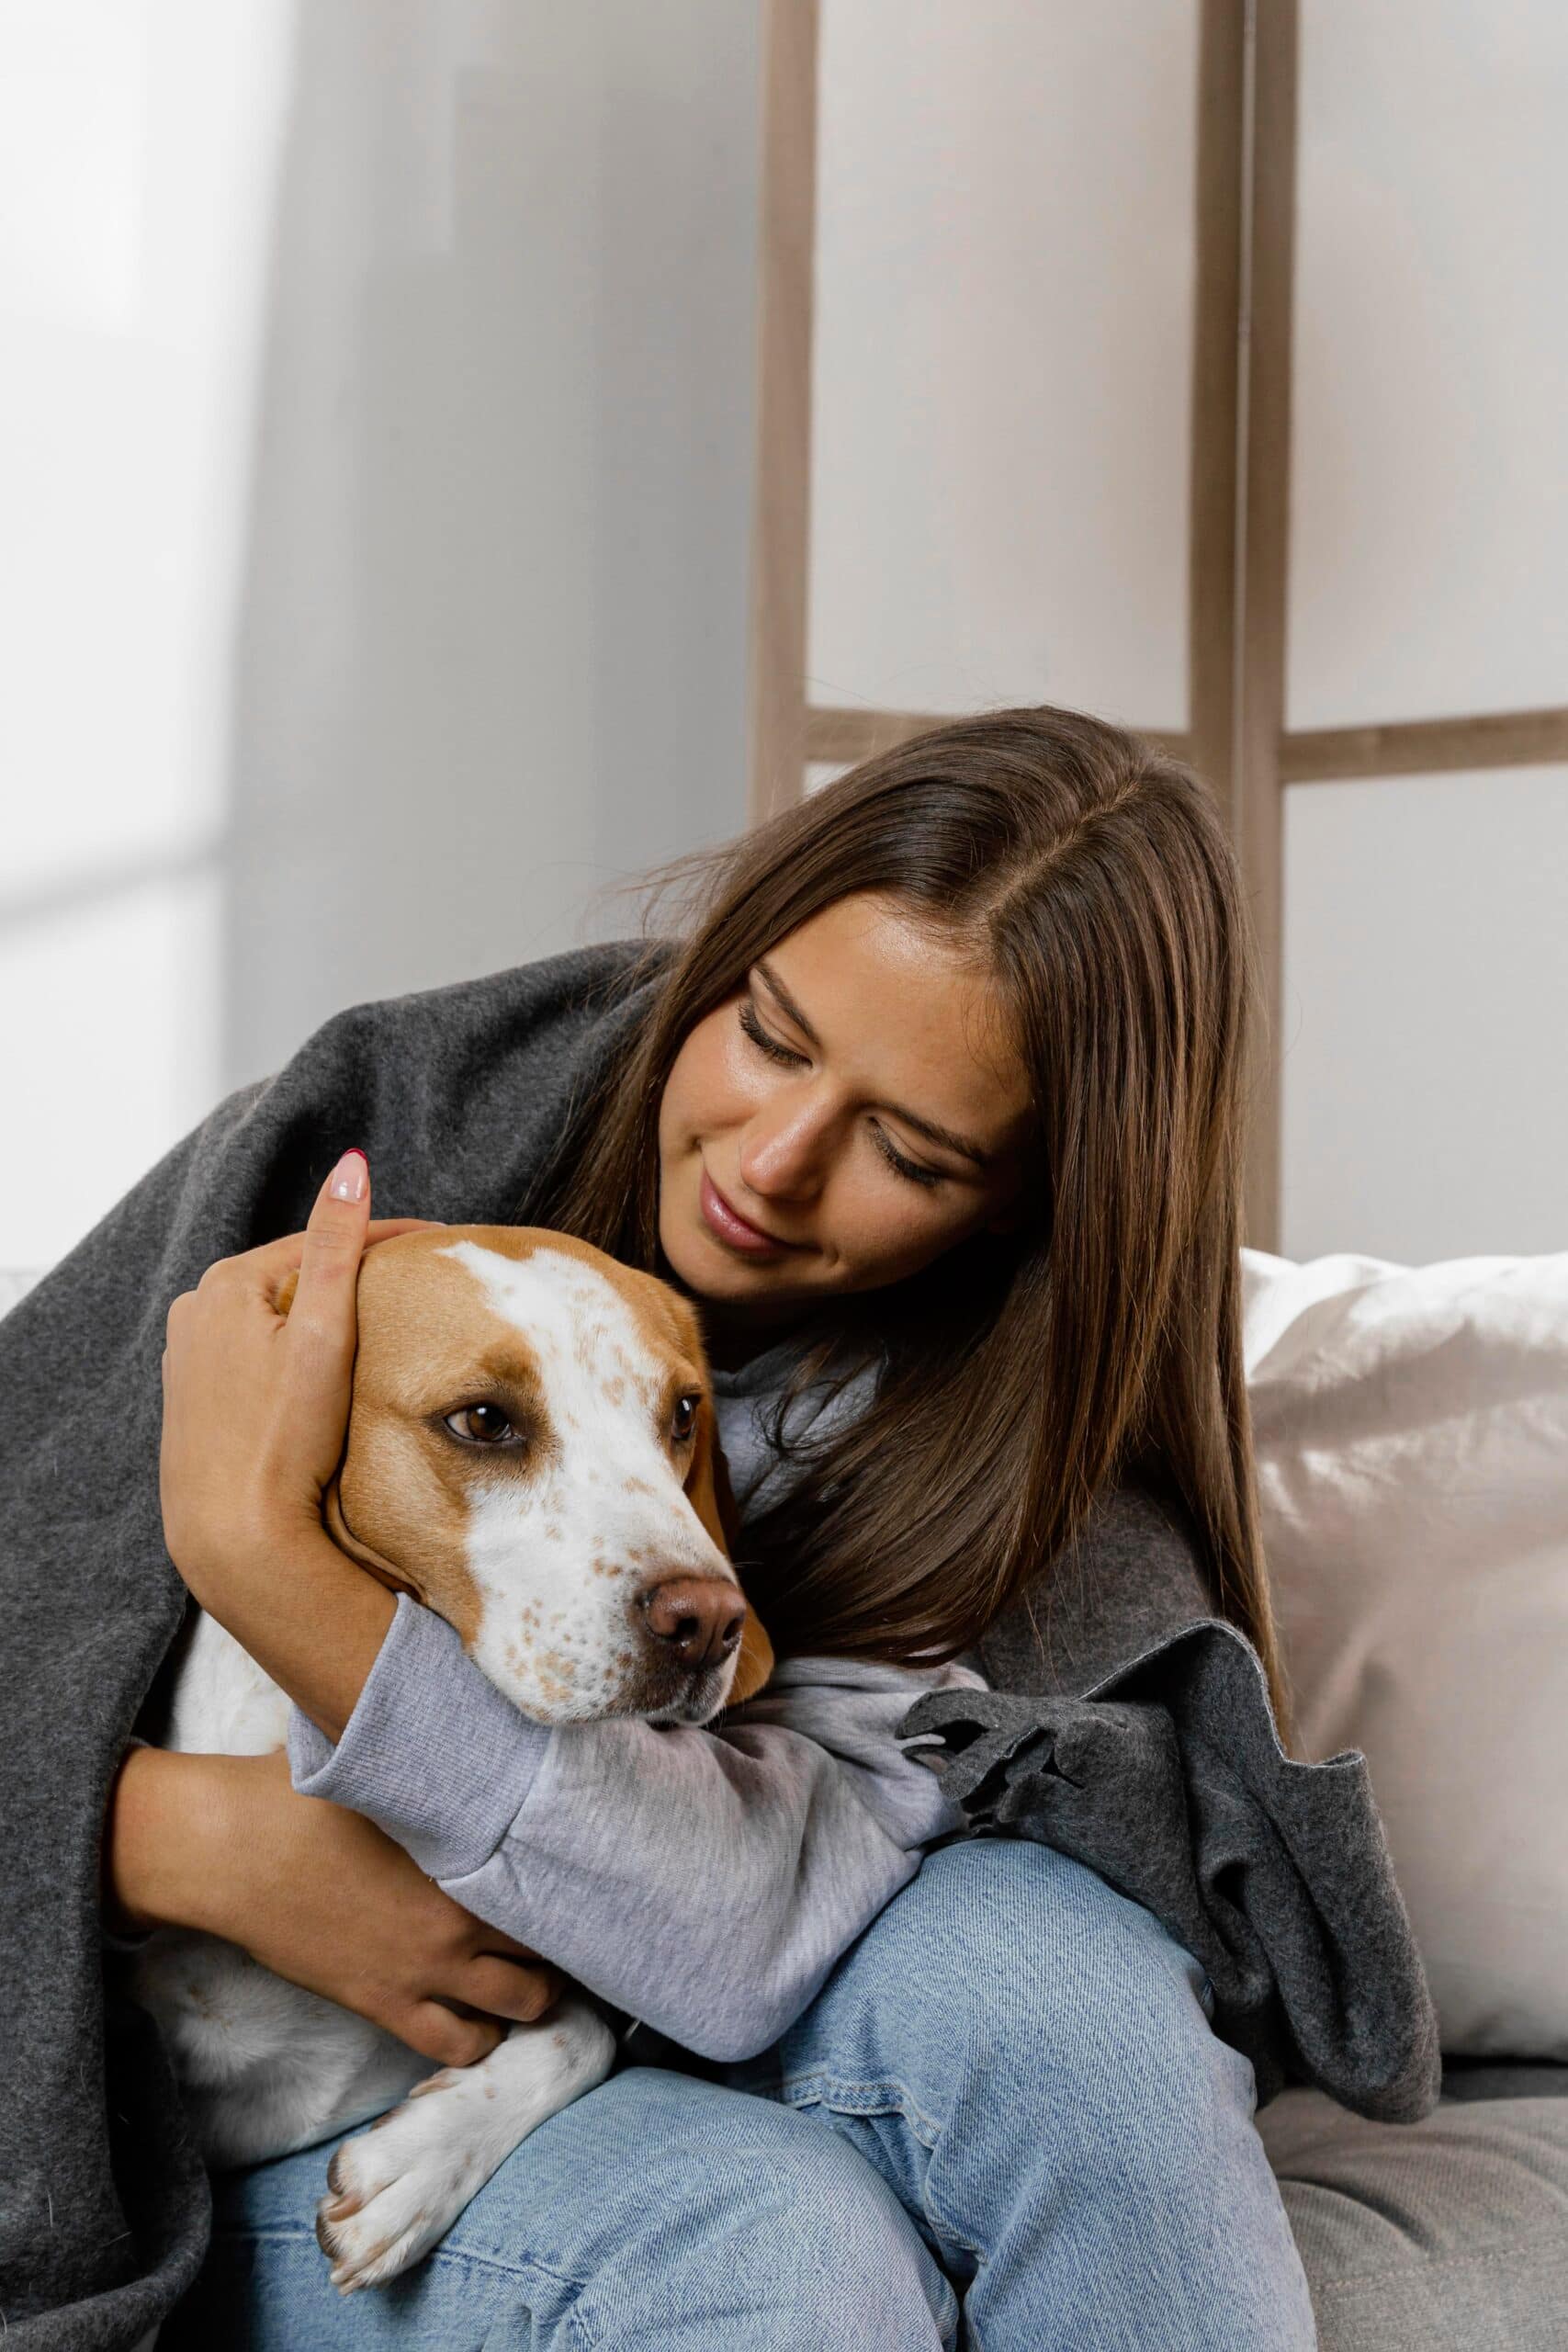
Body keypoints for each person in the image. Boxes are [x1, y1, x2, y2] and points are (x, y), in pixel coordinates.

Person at [101, 707, 1319, 2347]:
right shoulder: (368, 1139)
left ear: (1034, 1205)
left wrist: (255, 1553)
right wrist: (168, 1830)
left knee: (1074, 2018)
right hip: (205, 2112)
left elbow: (736, 1921)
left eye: (908, 1147)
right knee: (779, 2246)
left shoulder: (1020, 1466)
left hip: (706, 1973)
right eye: (771, 1031)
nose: (775, 1161)